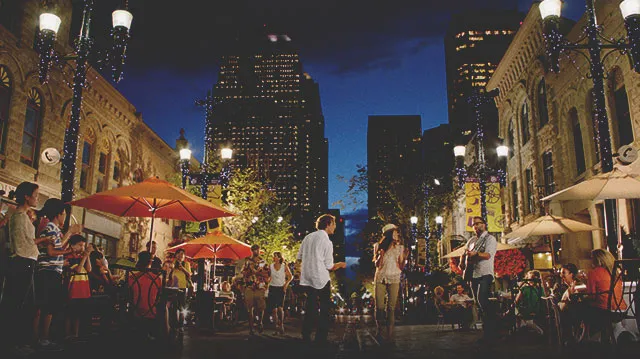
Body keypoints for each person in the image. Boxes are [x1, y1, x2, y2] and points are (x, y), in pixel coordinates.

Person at [0, 182, 53, 356]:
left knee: (24, 305)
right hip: (23, 262)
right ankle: (10, 343)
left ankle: (16, 342)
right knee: (17, 305)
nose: (37, 198)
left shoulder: (22, 216)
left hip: (26, 262)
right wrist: (43, 241)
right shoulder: (20, 216)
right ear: (26, 196)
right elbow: (23, 243)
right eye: (36, 195)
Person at [33, 198, 82, 350]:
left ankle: (43, 338)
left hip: (53, 270)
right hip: (48, 270)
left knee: (49, 306)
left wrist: (69, 238)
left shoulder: (54, 229)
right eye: (64, 214)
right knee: (44, 306)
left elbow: (58, 247)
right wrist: (69, 241)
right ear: (59, 214)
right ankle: (39, 339)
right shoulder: (50, 228)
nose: (64, 217)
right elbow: (51, 251)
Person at [297, 214, 346, 345]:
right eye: (334, 224)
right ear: (328, 224)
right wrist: (341, 264)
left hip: (307, 277)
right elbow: (329, 266)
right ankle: (321, 336)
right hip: (321, 278)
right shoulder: (327, 242)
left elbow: (299, 257)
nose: (335, 227)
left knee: (310, 306)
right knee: (325, 308)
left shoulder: (307, 237)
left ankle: (306, 333)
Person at [462, 216, 497, 344]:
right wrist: (463, 261)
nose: (476, 226)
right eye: (474, 225)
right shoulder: (471, 240)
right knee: (478, 303)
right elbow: (465, 252)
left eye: (479, 224)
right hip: (473, 274)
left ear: (484, 224)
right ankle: (487, 332)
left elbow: (488, 255)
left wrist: (475, 254)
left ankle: (491, 331)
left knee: (483, 300)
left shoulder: (490, 239)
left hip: (485, 273)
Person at [372, 224, 406, 343]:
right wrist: (381, 255)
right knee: (379, 307)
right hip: (380, 277)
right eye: (395, 232)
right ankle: (380, 331)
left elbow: (401, 266)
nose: (397, 235)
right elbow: (377, 265)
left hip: (395, 277)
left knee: (391, 308)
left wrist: (405, 258)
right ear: (389, 234)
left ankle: (390, 335)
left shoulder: (400, 247)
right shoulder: (377, 246)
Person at [64, 234, 92, 340]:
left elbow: (89, 269)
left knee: (78, 314)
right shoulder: (70, 257)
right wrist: (84, 257)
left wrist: (87, 256)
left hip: (83, 290)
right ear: (72, 245)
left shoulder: (82, 257)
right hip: (73, 289)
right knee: (70, 313)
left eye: (83, 246)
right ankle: (67, 334)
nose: (82, 248)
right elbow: (78, 269)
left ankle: (75, 334)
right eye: (80, 245)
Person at [241, 244, 269, 335]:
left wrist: (260, 273)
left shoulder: (263, 261)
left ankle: (260, 322)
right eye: (254, 250)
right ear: (252, 251)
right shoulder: (247, 260)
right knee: (250, 308)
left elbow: (267, 274)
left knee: (261, 307)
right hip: (249, 286)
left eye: (257, 250)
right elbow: (243, 272)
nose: (256, 251)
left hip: (260, 287)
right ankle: (251, 327)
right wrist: (249, 271)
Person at [268, 251, 293, 336]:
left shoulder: (284, 266)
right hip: (272, 287)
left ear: (279, 257)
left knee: (280, 308)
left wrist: (286, 284)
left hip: (280, 288)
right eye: (273, 256)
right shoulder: (270, 266)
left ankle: (281, 324)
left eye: (275, 256)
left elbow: (290, 276)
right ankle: (276, 328)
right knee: (273, 310)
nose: (274, 258)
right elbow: (269, 276)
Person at [514, 270, 544, 335]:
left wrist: (522, 285)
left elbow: (516, 300)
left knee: (514, 307)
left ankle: (519, 328)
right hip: (538, 310)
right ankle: (524, 324)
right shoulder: (541, 289)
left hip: (526, 311)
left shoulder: (524, 288)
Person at [169, 248, 192, 331]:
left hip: (183, 287)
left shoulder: (186, 264)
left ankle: (181, 325)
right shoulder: (172, 263)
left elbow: (189, 275)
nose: (181, 255)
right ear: (176, 255)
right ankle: (174, 324)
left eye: (182, 254)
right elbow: (169, 274)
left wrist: (182, 268)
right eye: (179, 253)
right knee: (174, 306)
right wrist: (171, 268)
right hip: (173, 287)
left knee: (182, 307)